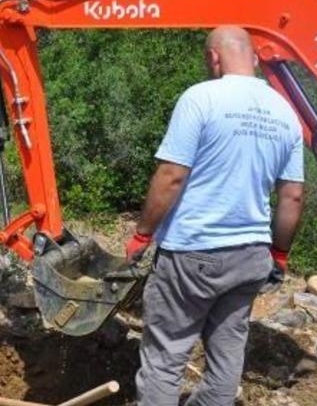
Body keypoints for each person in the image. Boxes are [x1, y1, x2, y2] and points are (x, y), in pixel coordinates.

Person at [127, 26, 304, 406]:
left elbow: (172, 176)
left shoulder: (201, 98)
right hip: (250, 256)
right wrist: (280, 255)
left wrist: (142, 235)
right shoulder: (285, 113)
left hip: (193, 254)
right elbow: (292, 195)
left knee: (165, 359)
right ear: (255, 59)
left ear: (214, 58)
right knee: (226, 363)